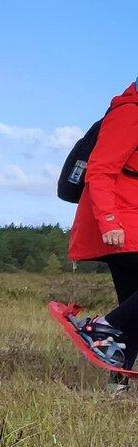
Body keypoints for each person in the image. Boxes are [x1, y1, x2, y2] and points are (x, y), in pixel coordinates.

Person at [66, 79, 138, 381]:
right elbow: (99, 170)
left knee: (132, 311)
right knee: (128, 313)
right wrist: (109, 220)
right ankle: (100, 327)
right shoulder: (129, 114)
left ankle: (117, 384)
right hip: (120, 228)